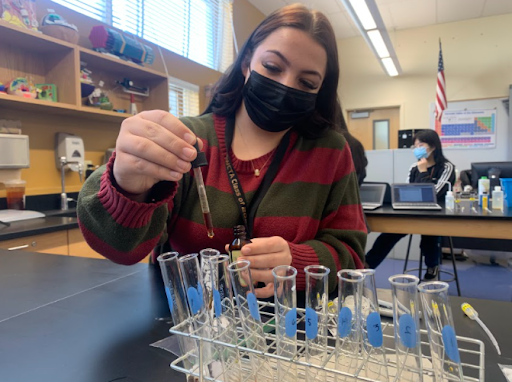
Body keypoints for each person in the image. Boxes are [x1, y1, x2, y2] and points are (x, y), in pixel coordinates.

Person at [77, 4, 367, 297]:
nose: (285, 86)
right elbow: (120, 248)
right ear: (246, 64)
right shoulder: (187, 141)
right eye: (272, 67)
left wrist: (298, 263)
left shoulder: (331, 152)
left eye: (306, 82)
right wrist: (127, 188)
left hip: (289, 330)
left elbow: (351, 257)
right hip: (187, 326)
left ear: (320, 91)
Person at [365, 130, 455, 279]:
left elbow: (433, 195)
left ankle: (432, 269)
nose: (417, 149)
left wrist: (424, 171)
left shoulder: (446, 167)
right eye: (415, 146)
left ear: (433, 146)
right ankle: (366, 265)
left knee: (430, 238)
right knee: (388, 235)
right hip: (412, 212)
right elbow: (407, 191)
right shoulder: (414, 167)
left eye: (421, 144)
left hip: (435, 215)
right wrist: (420, 172)